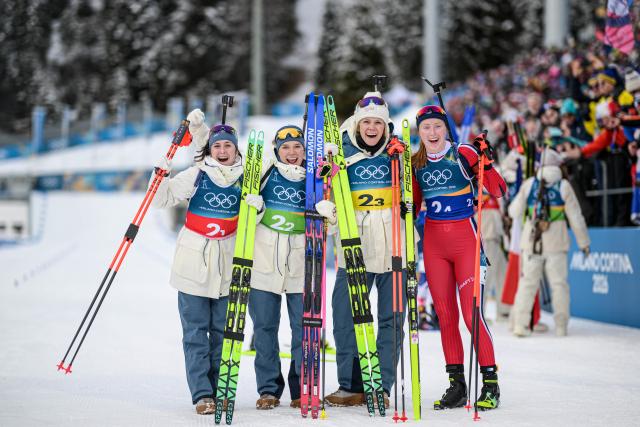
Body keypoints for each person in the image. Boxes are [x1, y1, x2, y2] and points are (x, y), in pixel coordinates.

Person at [410, 105, 507, 411]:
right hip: (435, 245)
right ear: (420, 132)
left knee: (471, 315)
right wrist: (395, 168)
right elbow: (411, 208)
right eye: (426, 128)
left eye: (437, 127)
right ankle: (457, 386)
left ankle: (490, 383)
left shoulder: (464, 152)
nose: (432, 133)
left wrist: (486, 163)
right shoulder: (415, 162)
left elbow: (499, 191)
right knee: (446, 318)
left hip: (466, 242)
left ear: (446, 129)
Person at [150, 108, 244, 415]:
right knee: (195, 333)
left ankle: (221, 389)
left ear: (235, 148)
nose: (222, 150)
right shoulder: (197, 174)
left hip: (228, 265)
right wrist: (160, 175)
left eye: (227, 145)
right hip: (193, 263)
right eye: (217, 145)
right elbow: (161, 200)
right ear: (210, 149)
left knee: (222, 333)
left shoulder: (247, 177)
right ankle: (203, 394)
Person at [318, 91, 405, 408]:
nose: (372, 128)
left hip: (394, 246)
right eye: (366, 121)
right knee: (345, 314)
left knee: (391, 319)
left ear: (386, 126)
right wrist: (327, 210)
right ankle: (352, 383)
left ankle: (379, 385)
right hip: (354, 246)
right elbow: (323, 190)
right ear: (357, 122)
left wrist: (403, 160)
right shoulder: (340, 153)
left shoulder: (398, 153)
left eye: (378, 123)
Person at [245, 125, 332, 410]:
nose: (292, 153)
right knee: (265, 330)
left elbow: (334, 218)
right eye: (286, 148)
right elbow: (243, 206)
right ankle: (269, 389)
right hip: (263, 264)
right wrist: (253, 209)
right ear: (276, 150)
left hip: (301, 265)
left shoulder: (316, 179)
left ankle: (302, 388)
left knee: (303, 330)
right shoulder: (264, 173)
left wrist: (328, 214)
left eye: (297, 147)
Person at [508, 147, 590, 337]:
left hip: (531, 242)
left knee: (527, 284)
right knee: (559, 284)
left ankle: (521, 325)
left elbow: (513, 211)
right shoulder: (563, 186)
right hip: (557, 243)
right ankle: (561, 326)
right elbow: (576, 218)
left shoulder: (529, 184)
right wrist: (584, 242)